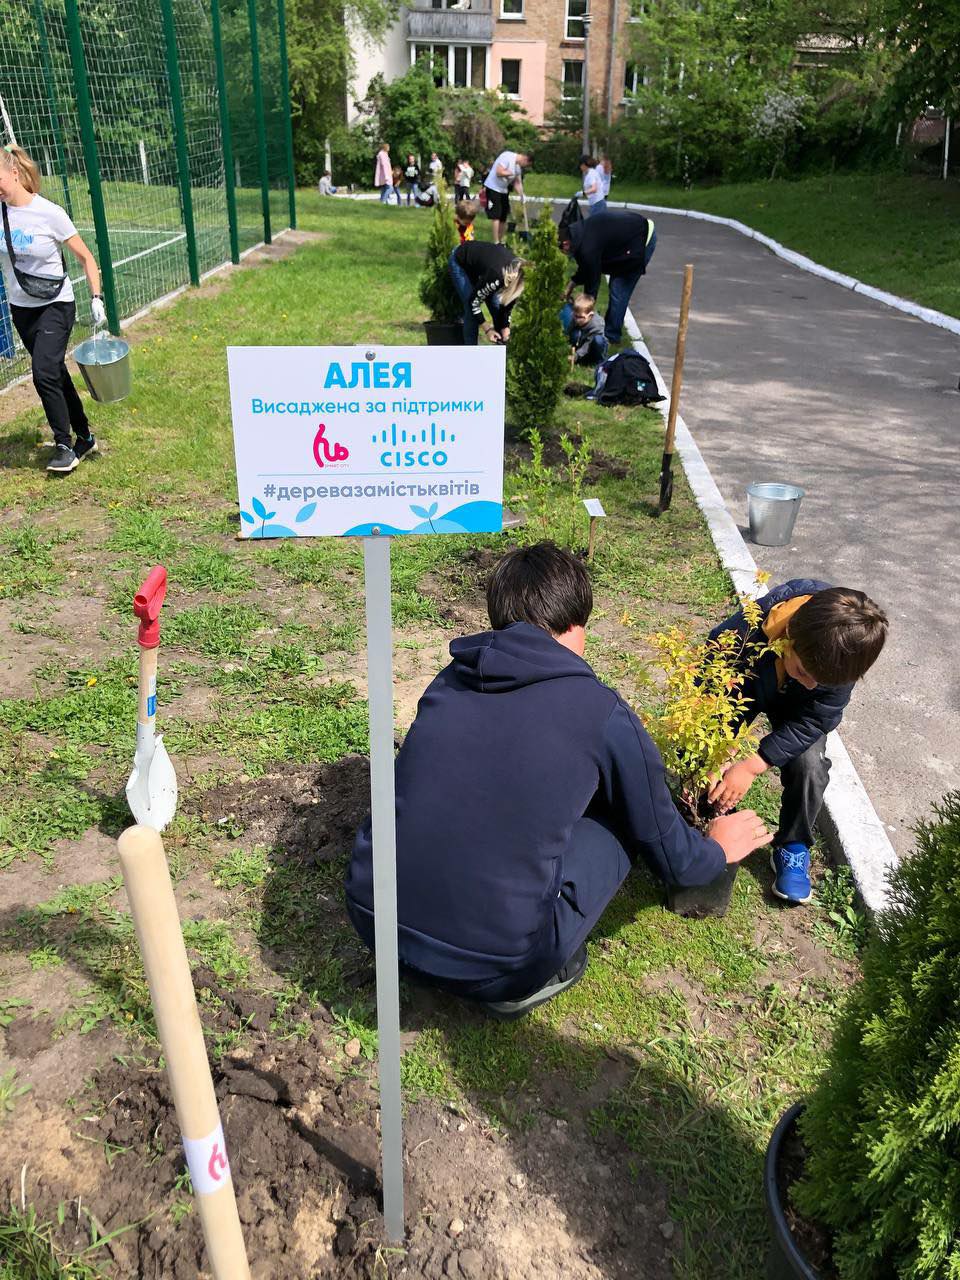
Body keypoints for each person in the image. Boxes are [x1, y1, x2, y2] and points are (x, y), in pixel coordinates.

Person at [345, 543, 773, 1020]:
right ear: (577, 625)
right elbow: (675, 860)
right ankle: (531, 979)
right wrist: (716, 848)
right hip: (498, 968)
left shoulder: (448, 680)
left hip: (372, 921)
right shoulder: (600, 712)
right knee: (620, 819)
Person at [707, 581, 888, 905]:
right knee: (708, 749)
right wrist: (722, 746)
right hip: (748, 683)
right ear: (788, 635)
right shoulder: (753, 626)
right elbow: (713, 669)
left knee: (810, 767)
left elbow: (816, 720)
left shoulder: (842, 658)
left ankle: (793, 845)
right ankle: (708, 812)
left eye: (821, 681)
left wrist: (753, 765)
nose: (811, 684)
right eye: (804, 672)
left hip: (801, 712)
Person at [0, 143, 104, 474]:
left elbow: (86, 257)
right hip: (22, 309)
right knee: (55, 372)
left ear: (14, 173)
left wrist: (96, 298)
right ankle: (85, 437)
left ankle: (63, 444)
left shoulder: (49, 213)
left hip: (56, 305)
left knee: (43, 371)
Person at [560, 208, 657, 344]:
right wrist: (571, 284)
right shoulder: (579, 234)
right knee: (616, 284)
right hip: (628, 235)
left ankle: (610, 337)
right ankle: (608, 330)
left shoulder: (587, 246)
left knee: (618, 288)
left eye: (562, 251)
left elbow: (592, 282)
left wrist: (585, 311)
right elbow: (587, 267)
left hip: (641, 238)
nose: (564, 254)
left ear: (565, 244)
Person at [448, 240, 526, 346]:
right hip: (461, 261)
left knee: (496, 307)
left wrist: (505, 327)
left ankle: (501, 349)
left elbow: (507, 304)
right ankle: (470, 353)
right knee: (471, 311)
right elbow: (473, 303)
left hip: (484, 269)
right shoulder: (497, 277)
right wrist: (487, 329)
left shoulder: (518, 276)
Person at [483, 149, 531, 244]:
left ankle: (501, 241)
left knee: (503, 216)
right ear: (525, 159)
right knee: (496, 215)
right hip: (493, 188)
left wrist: (522, 195)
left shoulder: (518, 168)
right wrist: (510, 173)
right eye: (527, 164)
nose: (525, 167)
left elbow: (517, 183)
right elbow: (499, 172)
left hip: (503, 191)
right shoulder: (507, 156)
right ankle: (496, 242)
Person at [562, 292, 607, 367]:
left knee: (598, 340)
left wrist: (575, 356)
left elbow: (587, 345)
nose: (577, 319)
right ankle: (579, 356)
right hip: (582, 340)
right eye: (575, 316)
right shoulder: (576, 317)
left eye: (580, 317)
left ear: (590, 315)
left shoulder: (597, 325)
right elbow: (568, 331)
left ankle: (598, 361)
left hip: (593, 346)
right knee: (574, 334)